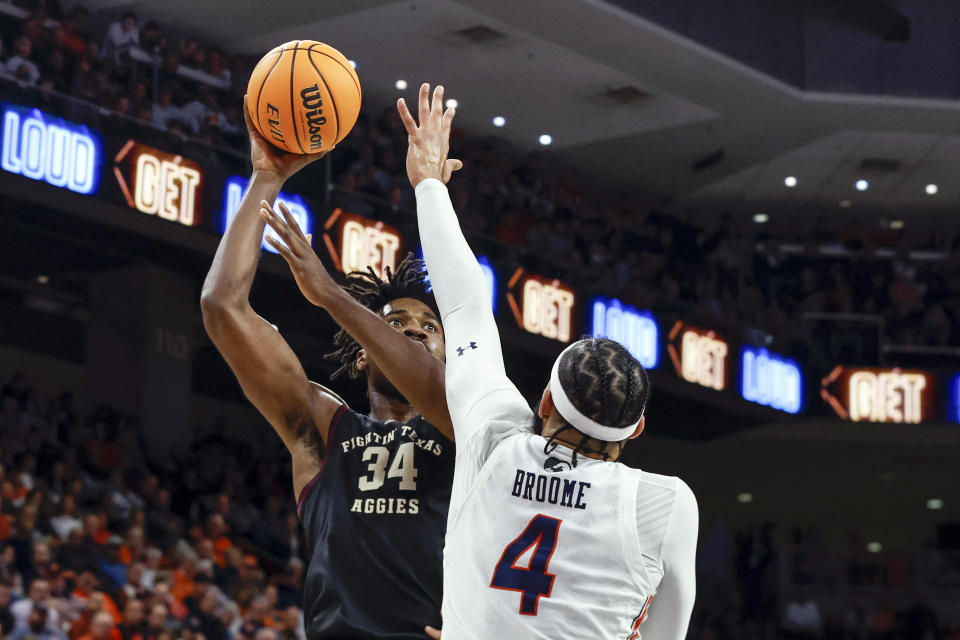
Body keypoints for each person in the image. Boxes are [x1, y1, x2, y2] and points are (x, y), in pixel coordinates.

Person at [398, 83, 698, 639]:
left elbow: (464, 308)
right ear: (636, 430)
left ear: (544, 400)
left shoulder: (493, 439)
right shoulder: (666, 504)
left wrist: (430, 185)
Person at [201, 96, 456, 638]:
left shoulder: (474, 429)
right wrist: (265, 179)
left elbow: (436, 389)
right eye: (394, 324)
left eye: (428, 328)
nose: (411, 330)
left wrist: (331, 295)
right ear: (364, 349)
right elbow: (222, 306)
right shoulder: (325, 427)